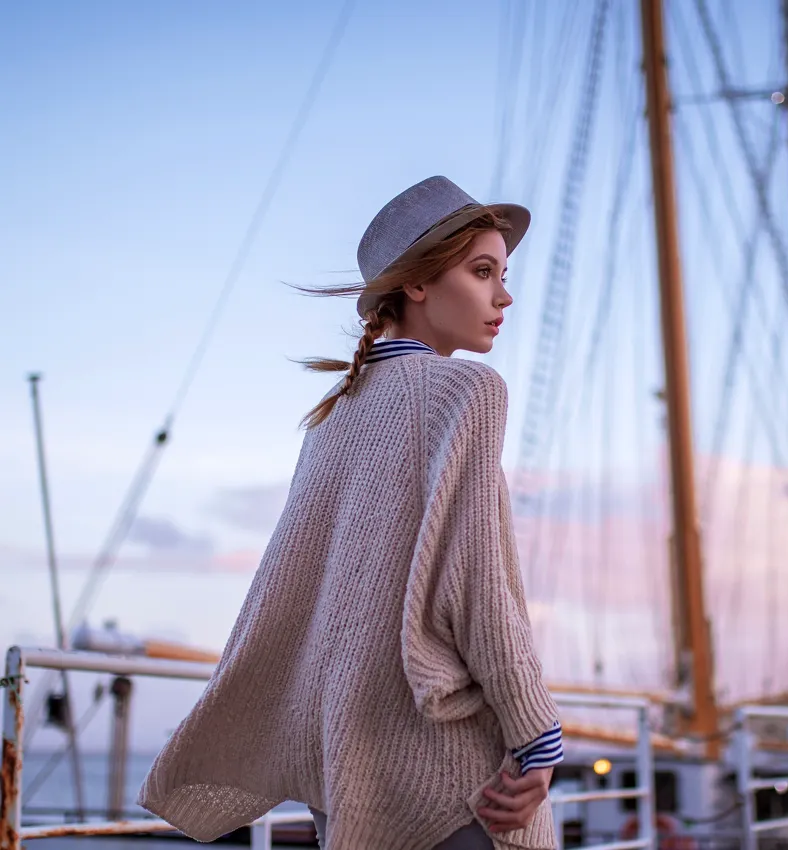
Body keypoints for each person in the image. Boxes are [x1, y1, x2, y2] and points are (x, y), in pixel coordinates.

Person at [138, 176, 564, 850]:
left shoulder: (334, 416)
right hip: (449, 777)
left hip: (346, 771)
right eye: (482, 272)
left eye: (503, 275)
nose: (503, 296)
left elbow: (290, 598)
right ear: (418, 284)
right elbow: (481, 590)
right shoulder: (467, 391)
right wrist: (538, 736)